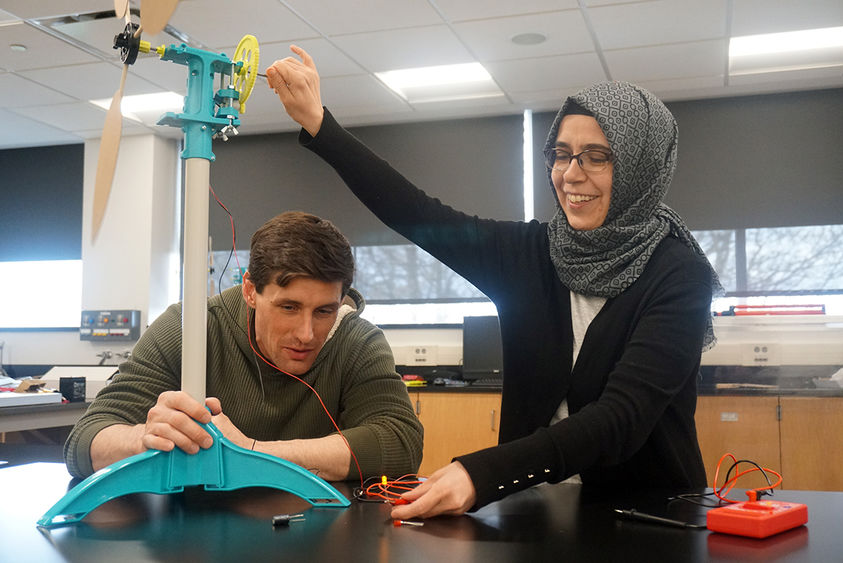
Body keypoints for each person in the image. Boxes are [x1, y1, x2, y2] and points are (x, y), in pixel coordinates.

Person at [266, 46, 723, 519]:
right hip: (532, 511)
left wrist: (480, 474)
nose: (570, 174)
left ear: (639, 167)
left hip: (648, 518)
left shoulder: (678, 275)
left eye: (597, 157)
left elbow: (620, 419)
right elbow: (418, 214)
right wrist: (321, 125)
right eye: (561, 155)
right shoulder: (531, 254)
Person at [65, 211, 423, 481]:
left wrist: (250, 453)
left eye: (324, 311)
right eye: (289, 307)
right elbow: (84, 441)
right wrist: (145, 439)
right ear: (251, 290)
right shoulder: (187, 328)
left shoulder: (358, 341)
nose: (307, 334)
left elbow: (400, 443)